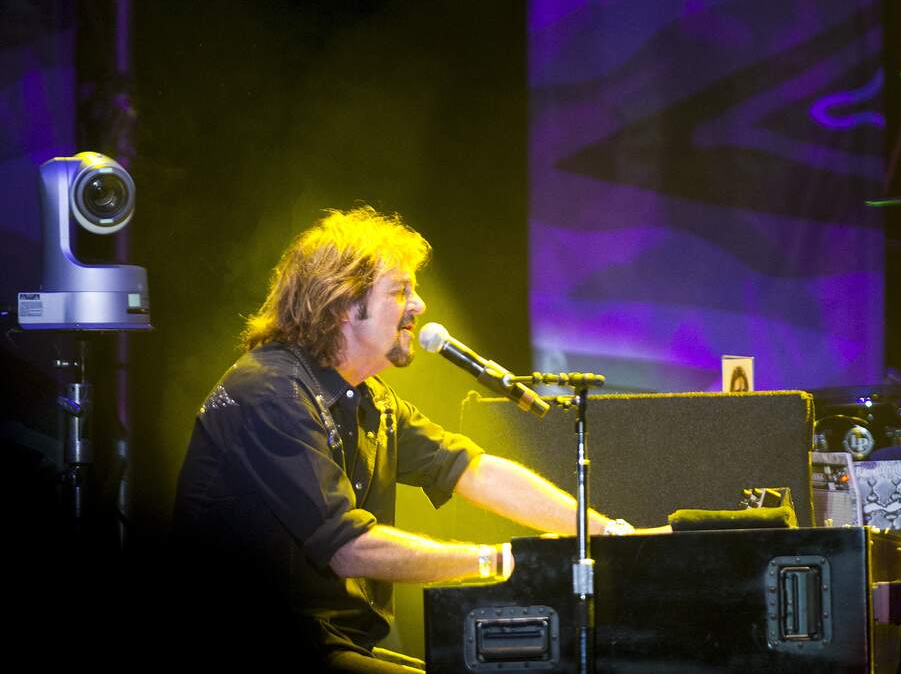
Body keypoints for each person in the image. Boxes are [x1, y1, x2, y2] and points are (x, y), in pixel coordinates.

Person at [172, 207, 639, 673]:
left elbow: (469, 468)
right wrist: (500, 561)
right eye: (400, 291)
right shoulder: (272, 393)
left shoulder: (371, 399)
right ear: (342, 304)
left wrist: (607, 535)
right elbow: (350, 548)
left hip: (332, 642)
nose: (418, 306)